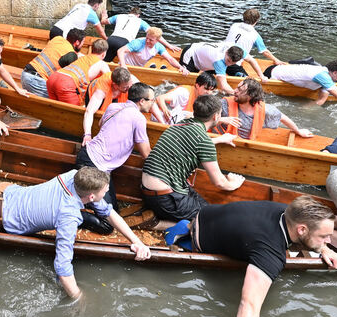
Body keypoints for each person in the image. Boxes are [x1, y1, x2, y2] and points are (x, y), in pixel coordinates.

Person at [163, 196, 337, 317]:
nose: (329, 240)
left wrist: (324, 249)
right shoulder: (270, 253)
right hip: (200, 238)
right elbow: (249, 305)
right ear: (302, 229)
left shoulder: (287, 211)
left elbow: (308, 234)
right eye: (324, 237)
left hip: (207, 214)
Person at [0, 166, 151, 300]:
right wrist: (78, 298)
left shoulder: (76, 175)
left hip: (4, 190)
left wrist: (136, 242)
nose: (107, 192)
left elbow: (108, 212)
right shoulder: (69, 216)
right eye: (105, 190)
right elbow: (62, 266)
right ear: (90, 197)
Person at [140, 94, 245, 223]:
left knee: (206, 207)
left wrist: (219, 139)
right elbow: (219, 182)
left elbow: (192, 143)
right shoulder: (203, 141)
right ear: (216, 116)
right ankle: (157, 224)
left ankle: (155, 219)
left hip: (148, 191)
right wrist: (234, 184)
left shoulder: (179, 125)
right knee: (209, 219)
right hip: (165, 198)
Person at [75, 83, 155, 213]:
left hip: (88, 156)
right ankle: (70, 213)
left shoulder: (113, 106)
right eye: (152, 100)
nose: (153, 103)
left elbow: (102, 124)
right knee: (107, 220)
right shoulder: (139, 118)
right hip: (94, 166)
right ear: (141, 101)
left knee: (113, 211)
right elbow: (146, 154)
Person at [222, 79, 312, 140]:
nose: (235, 91)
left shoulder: (266, 110)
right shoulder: (224, 104)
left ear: (250, 96)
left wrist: (298, 131)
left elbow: (282, 117)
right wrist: (221, 120)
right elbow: (207, 119)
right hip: (223, 140)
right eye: (237, 87)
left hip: (245, 143)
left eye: (240, 90)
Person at [265, 59, 337, 106]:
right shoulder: (322, 76)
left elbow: (320, 101)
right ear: (335, 73)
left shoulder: (326, 75)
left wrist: (304, 111)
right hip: (271, 73)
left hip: (278, 69)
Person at [21, 28, 85, 97]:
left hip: (25, 74)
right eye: (83, 42)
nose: (83, 45)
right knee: (58, 101)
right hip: (37, 80)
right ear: (77, 42)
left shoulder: (57, 39)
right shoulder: (72, 54)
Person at [46, 38, 110, 105]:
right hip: (66, 82)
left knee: (54, 109)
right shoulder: (102, 64)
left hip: (53, 77)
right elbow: (110, 81)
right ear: (103, 54)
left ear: (92, 49)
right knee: (74, 113)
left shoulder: (81, 57)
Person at [82, 66, 135, 138]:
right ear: (115, 85)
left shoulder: (130, 80)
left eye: (129, 85)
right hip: (94, 95)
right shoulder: (101, 90)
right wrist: (87, 134)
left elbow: (146, 95)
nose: (128, 89)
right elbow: (89, 111)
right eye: (125, 87)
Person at [180, 43, 255, 93]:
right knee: (188, 80)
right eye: (228, 60)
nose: (229, 64)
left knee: (229, 65)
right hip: (192, 55)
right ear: (226, 53)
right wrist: (236, 93)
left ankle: (239, 74)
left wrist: (261, 76)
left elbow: (252, 60)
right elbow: (223, 86)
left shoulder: (238, 50)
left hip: (207, 58)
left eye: (232, 62)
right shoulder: (218, 60)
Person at [117, 27, 188, 75]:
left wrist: (181, 67)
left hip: (138, 69)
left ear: (157, 40)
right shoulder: (138, 43)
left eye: (151, 40)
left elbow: (170, 59)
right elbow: (120, 51)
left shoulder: (158, 47)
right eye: (147, 38)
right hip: (125, 66)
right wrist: (123, 65)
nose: (147, 41)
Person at [152, 73, 217, 124]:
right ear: (197, 85)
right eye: (206, 89)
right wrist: (165, 111)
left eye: (211, 90)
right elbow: (160, 98)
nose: (209, 93)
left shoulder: (205, 98)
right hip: (161, 120)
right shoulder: (184, 92)